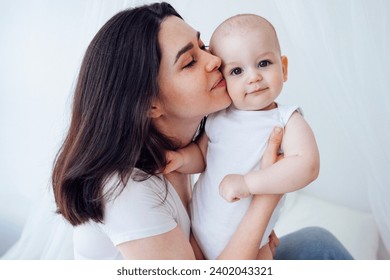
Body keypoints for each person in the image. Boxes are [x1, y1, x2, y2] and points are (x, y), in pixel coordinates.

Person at [51, 2, 353, 260]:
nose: (215, 61)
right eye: (190, 62)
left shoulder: (180, 145)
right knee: (318, 247)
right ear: (150, 104)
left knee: (317, 242)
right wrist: (265, 201)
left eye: (203, 46)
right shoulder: (124, 189)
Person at [163, 14, 319, 260]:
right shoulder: (218, 116)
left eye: (264, 63)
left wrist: (249, 183)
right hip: (197, 237)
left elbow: (307, 165)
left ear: (284, 67)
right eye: (237, 70)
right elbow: (202, 156)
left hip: (255, 248)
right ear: (222, 80)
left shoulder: (287, 120)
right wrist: (181, 159)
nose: (253, 77)